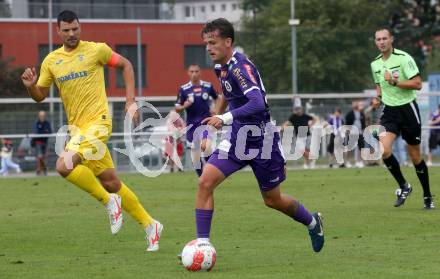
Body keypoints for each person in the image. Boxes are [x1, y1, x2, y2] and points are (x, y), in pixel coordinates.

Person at [20, 10, 163, 250]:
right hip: (78, 131)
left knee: (63, 165)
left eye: (75, 28)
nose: (72, 33)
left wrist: (130, 101)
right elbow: (40, 97)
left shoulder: (97, 50)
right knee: (110, 182)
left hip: (99, 122)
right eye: (66, 30)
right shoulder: (51, 61)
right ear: (59, 31)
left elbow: (126, 65)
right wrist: (31, 86)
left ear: (80, 27)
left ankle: (110, 203)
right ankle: (151, 225)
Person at [195, 18, 324, 253]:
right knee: (205, 182)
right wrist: (212, 124)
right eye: (206, 43)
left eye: (212, 42)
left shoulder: (240, 67)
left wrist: (222, 119)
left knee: (273, 200)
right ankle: (202, 245)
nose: (208, 47)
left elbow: (257, 103)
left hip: (262, 140)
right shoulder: (220, 67)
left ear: (228, 41)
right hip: (236, 138)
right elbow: (227, 93)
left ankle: (313, 222)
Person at [370, 27, 434, 209]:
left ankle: (428, 196)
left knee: (415, 156)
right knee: (384, 150)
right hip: (390, 111)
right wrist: (378, 98)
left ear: (391, 40)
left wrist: (396, 82)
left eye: (384, 38)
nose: (381, 42)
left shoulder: (404, 58)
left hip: (408, 110)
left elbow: (418, 84)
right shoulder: (375, 64)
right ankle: (404, 186)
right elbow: (379, 88)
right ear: (376, 42)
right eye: (378, 39)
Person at [175, 64, 220, 176]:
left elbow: (218, 99)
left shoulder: (208, 86)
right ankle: (202, 177)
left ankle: (212, 174)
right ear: (188, 73)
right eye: (192, 71)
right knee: (195, 155)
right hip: (191, 126)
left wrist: (216, 110)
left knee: (205, 147)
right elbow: (177, 108)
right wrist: (185, 105)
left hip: (206, 124)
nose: (194, 74)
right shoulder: (184, 89)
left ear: (200, 73)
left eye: (196, 71)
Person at [344, 101, 366, 168]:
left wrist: (363, 129)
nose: (355, 105)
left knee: (361, 147)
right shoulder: (349, 114)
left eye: (356, 103)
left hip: (360, 132)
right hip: (352, 133)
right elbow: (346, 124)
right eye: (354, 104)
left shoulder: (361, 113)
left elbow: (363, 123)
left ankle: (359, 162)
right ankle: (348, 162)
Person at [32, 110, 52, 175]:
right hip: (38, 142)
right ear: (39, 116)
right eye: (41, 115)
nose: (42, 117)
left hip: (45, 142)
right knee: (39, 156)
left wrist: (44, 132)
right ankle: (40, 169)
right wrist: (44, 132)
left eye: (43, 115)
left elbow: (49, 131)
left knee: (43, 157)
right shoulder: (36, 123)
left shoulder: (47, 123)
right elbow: (36, 132)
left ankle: (42, 169)